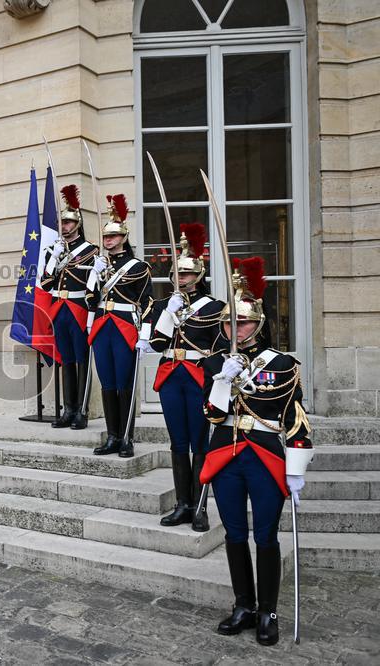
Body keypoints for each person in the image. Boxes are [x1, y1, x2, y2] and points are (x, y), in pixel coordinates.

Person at [200, 256, 313, 646]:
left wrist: (296, 468)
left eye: (243, 322)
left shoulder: (281, 364)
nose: (235, 328)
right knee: (233, 534)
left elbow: (296, 419)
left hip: (265, 457)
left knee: (265, 536)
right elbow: (212, 415)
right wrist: (221, 380)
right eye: (230, 322)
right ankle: (243, 605)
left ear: (258, 323)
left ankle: (268, 610)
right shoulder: (215, 361)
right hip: (226, 455)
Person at [139, 224, 223, 531]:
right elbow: (157, 344)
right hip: (171, 377)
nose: (181, 279)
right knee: (178, 443)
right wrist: (167, 314)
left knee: (200, 443)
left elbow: (221, 348)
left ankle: (200, 507)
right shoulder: (163, 306)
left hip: (198, 376)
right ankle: (182, 504)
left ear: (199, 275)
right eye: (177, 274)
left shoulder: (215, 308)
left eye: (187, 274)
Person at [87, 194, 152, 458]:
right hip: (103, 327)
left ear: (124, 238)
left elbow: (148, 302)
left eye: (113, 236)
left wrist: (145, 333)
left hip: (125, 327)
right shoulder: (100, 266)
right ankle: (112, 435)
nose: (108, 241)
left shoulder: (138, 267)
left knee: (124, 384)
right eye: (106, 237)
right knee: (108, 384)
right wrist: (94, 274)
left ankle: (127, 437)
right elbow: (91, 300)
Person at [42, 184, 98, 429]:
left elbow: (93, 286)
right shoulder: (54, 250)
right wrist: (54, 258)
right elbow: (45, 283)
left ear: (77, 224)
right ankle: (68, 409)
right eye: (62, 223)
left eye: (68, 222)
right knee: (66, 360)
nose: (63, 226)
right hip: (59, 309)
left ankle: (82, 411)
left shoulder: (91, 251)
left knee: (82, 359)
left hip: (79, 308)